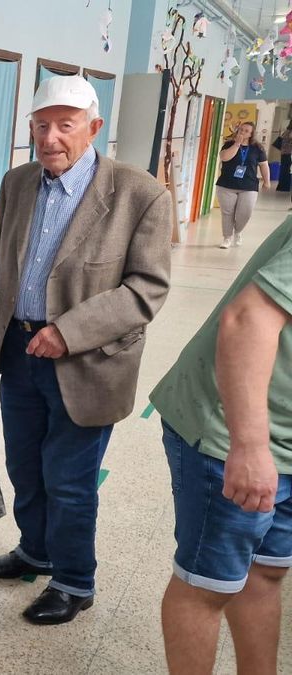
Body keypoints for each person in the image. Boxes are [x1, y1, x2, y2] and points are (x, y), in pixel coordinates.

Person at [0, 75, 172, 625]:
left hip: (88, 363)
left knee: (70, 481)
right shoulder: (18, 183)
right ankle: (35, 550)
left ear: (93, 128)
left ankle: (75, 581)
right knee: (25, 467)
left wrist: (70, 331)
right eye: (40, 125)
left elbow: (146, 289)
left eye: (65, 125)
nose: (50, 137)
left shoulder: (139, 194)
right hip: (20, 354)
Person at [150, 223, 292, 675]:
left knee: (266, 572)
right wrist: (248, 448)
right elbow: (247, 320)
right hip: (232, 428)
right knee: (208, 586)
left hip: (285, 437)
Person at [215, 121, 270, 249]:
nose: (243, 132)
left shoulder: (258, 148)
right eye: (241, 129)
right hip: (227, 185)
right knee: (227, 213)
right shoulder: (229, 144)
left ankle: (238, 231)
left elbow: (264, 165)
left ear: (251, 134)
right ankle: (227, 237)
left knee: (246, 212)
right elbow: (225, 158)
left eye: (246, 131)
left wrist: (267, 181)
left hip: (249, 185)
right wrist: (237, 144)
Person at [274, 122, 292, 192]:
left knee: (284, 170)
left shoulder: (286, 131)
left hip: (284, 153)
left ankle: (281, 186)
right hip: (288, 154)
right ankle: (285, 187)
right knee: (287, 171)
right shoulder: (290, 132)